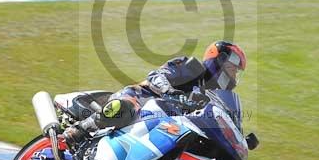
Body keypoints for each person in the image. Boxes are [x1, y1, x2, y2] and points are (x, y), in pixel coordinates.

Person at [63, 40, 247, 145]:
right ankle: (80, 130)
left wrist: (240, 136)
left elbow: (222, 115)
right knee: (125, 107)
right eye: (233, 68)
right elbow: (157, 76)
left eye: (237, 72)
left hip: (165, 123)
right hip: (142, 99)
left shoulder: (212, 96)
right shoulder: (191, 67)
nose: (234, 75)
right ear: (219, 60)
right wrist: (170, 91)